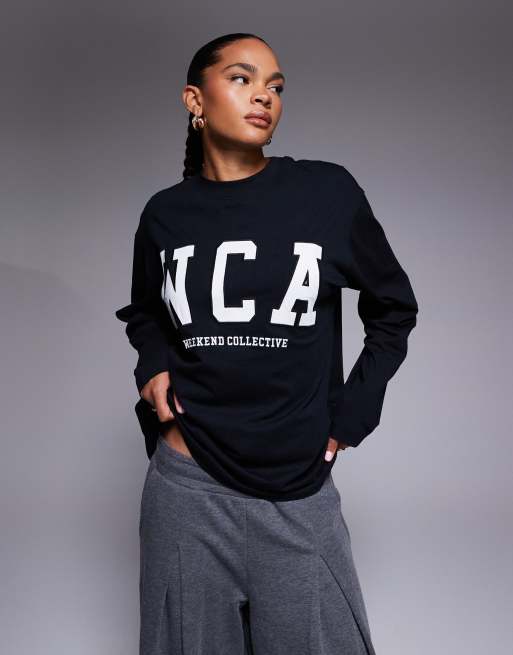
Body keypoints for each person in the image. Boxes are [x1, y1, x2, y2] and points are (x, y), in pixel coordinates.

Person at [115, 32, 418, 655]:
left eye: (275, 87)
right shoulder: (165, 214)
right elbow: (145, 311)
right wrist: (153, 365)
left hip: (297, 489)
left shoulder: (325, 194)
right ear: (194, 100)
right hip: (186, 490)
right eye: (242, 78)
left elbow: (393, 307)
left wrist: (355, 409)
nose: (264, 96)